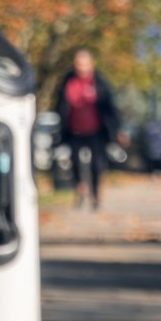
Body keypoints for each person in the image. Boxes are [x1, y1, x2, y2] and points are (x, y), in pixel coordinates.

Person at [56, 49, 121, 210]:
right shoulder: (67, 82)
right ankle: (80, 190)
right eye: (78, 64)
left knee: (97, 165)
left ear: (91, 65)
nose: (81, 67)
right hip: (73, 130)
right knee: (75, 163)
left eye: (84, 64)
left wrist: (117, 129)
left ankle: (96, 195)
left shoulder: (99, 83)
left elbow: (110, 108)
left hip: (96, 130)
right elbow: (60, 106)